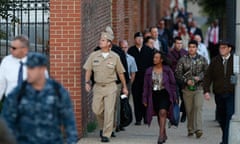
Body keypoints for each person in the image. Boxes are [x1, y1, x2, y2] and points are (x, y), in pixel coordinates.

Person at [2, 52, 78, 144]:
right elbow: (6, 121)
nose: (28, 71)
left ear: (42, 69)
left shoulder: (58, 92)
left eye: (32, 68)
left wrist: (72, 141)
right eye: (27, 68)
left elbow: (69, 121)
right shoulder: (18, 93)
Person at [83, 27, 128, 143]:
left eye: (103, 40)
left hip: (110, 86)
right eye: (100, 40)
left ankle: (106, 134)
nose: (100, 42)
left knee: (109, 111)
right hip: (98, 86)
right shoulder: (94, 55)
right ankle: (103, 127)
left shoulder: (115, 56)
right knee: (96, 109)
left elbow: (121, 73)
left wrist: (124, 87)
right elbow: (88, 69)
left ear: (109, 43)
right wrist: (87, 82)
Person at [175, 40, 208, 138]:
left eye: (193, 47)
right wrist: (186, 80)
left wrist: (200, 77)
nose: (191, 49)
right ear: (188, 48)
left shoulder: (203, 59)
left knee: (198, 107)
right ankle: (190, 129)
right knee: (189, 110)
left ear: (197, 48)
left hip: (199, 88)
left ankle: (199, 129)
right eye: (190, 47)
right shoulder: (182, 60)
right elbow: (177, 74)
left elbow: (207, 72)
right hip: (187, 89)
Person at [203, 41, 234, 144]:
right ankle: (226, 137)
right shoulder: (215, 61)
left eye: (224, 48)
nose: (222, 50)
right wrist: (206, 90)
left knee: (229, 115)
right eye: (220, 48)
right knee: (221, 117)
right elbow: (208, 76)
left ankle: (226, 141)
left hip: (231, 93)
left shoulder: (235, 60)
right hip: (219, 93)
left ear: (229, 49)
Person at [143, 51, 176, 144]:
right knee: (159, 114)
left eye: (157, 58)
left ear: (161, 60)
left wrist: (174, 96)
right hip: (153, 94)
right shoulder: (149, 71)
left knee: (163, 112)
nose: (154, 59)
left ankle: (160, 136)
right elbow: (145, 86)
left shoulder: (167, 70)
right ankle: (164, 132)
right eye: (154, 57)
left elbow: (173, 84)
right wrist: (144, 98)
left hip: (165, 94)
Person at [128, 32, 153, 125]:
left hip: (146, 78)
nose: (139, 40)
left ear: (143, 40)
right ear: (134, 40)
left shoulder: (148, 50)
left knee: (146, 98)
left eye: (141, 38)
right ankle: (138, 118)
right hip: (135, 78)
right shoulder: (131, 50)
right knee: (136, 98)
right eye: (137, 38)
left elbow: (152, 64)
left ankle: (146, 117)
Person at [0, 36, 29, 100]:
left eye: (14, 48)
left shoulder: (36, 62)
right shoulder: (6, 61)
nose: (11, 50)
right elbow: (1, 84)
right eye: (10, 47)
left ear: (24, 49)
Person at [118, 40, 138, 131]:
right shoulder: (116, 58)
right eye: (122, 48)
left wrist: (129, 84)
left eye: (125, 48)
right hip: (118, 83)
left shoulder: (131, 59)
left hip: (127, 83)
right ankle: (117, 123)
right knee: (117, 104)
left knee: (124, 103)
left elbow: (133, 73)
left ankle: (123, 122)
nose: (124, 49)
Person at [168, 36, 188, 123]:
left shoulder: (186, 53)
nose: (179, 45)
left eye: (180, 43)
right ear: (174, 44)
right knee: (175, 97)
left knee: (185, 97)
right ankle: (174, 115)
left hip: (184, 78)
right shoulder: (170, 53)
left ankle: (184, 113)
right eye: (177, 43)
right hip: (174, 78)